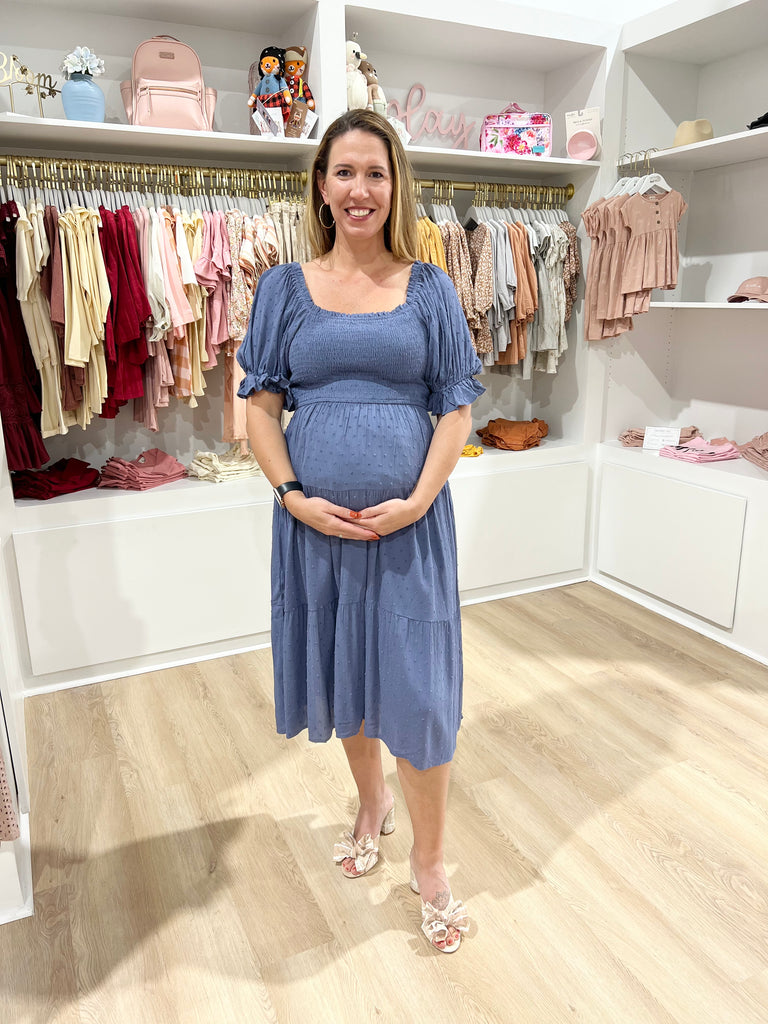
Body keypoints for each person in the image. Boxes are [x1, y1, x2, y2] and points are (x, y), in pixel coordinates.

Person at [236, 109, 484, 953]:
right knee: (348, 674)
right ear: (320, 185)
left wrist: (417, 499)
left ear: (395, 184)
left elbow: (457, 406)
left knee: (419, 693)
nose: (360, 189)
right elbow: (260, 407)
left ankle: (431, 861)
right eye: (344, 171)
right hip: (315, 531)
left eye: (375, 173)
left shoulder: (430, 287)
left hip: (410, 531)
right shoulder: (282, 288)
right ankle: (371, 802)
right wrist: (292, 496)